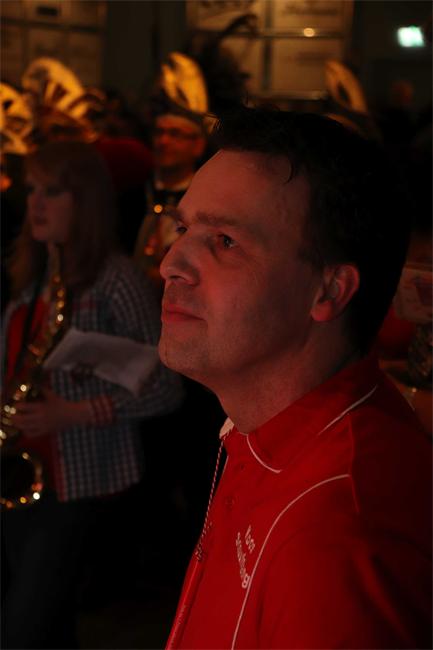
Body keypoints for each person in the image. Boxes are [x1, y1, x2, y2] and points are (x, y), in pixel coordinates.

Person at [157, 106, 432, 649]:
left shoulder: (335, 537)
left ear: (328, 291)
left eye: (225, 241)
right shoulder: (265, 432)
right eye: (184, 228)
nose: (172, 263)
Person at [1, 140, 183, 649]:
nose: (35, 204)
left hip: (74, 482)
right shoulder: (35, 271)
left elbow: (167, 387)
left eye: (52, 192)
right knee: (49, 625)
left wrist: (75, 412)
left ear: (85, 201)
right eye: (32, 190)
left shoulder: (116, 280)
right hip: (19, 472)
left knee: (21, 629)